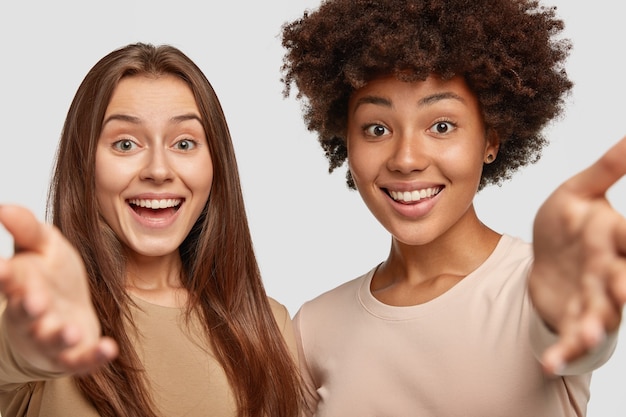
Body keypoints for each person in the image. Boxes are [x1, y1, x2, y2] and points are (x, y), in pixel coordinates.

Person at [279, 0, 626, 415]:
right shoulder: (314, 327)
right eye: (377, 128)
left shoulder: (536, 287)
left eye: (441, 126)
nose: (406, 158)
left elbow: (578, 336)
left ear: (491, 139)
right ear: (346, 141)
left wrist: (567, 299)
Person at [0, 42, 302, 417]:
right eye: (125, 144)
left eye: (184, 143)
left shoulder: (270, 325)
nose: (158, 170)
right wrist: (29, 342)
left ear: (215, 164)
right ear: (84, 163)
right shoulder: (35, 311)